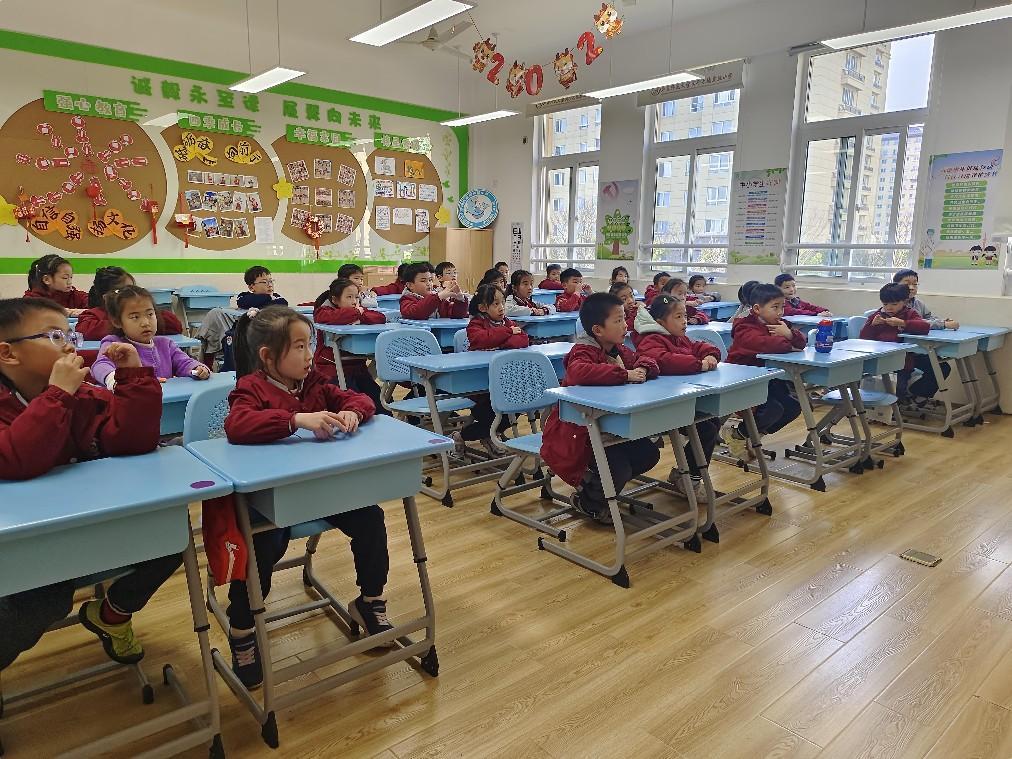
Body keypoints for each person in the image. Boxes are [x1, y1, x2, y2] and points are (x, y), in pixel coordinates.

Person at [221, 306, 392, 689]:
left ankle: (369, 601)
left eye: (309, 344)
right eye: (299, 346)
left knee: (370, 519)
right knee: (263, 546)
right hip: (270, 498)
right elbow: (237, 425)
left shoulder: (314, 383)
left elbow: (359, 399)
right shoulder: (250, 387)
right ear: (268, 357)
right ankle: (242, 628)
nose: (309, 354)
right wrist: (295, 420)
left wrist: (353, 413)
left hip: (319, 491)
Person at [0, 297, 172, 672]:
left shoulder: (81, 394)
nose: (69, 346)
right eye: (55, 336)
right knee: (44, 599)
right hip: (20, 543)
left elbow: (131, 442)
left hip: (79, 524)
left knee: (168, 538)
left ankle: (112, 614)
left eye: (70, 336)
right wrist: (57, 395)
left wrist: (133, 378)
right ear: (8, 354)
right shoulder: (60, 393)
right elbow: (16, 459)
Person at [540, 293, 660, 524]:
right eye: (618, 320)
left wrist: (644, 369)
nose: (625, 325)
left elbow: (647, 360)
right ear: (598, 330)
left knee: (648, 454)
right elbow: (579, 372)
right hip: (577, 433)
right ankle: (589, 501)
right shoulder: (583, 351)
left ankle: (599, 486)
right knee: (618, 469)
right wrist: (625, 374)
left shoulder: (618, 349)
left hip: (608, 428)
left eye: (624, 318)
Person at [635, 294, 723, 499]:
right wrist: (699, 364)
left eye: (684, 316)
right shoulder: (650, 340)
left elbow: (699, 346)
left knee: (710, 423)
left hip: (681, 401)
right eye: (678, 317)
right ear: (660, 322)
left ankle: (687, 475)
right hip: (659, 406)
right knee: (706, 428)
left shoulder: (680, 337)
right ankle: (689, 478)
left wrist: (711, 354)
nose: (684, 321)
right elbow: (664, 360)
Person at [725, 283, 806, 460]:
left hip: (767, 378)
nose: (780, 312)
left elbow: (801, 342)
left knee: (793, 407)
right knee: (773, 409)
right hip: (741, 381)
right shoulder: (744, 327)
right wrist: (787, 341)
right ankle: (737, 434)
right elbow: (768, 345)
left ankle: (753, 437)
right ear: (757, 309)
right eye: (775, 307)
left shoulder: (778, 324)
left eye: (782, 307)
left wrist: (790, 335)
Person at [91, 285, 210, 389]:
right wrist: (117, 381)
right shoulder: (114, 344)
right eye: (135, 317)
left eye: (150, 314)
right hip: (135, 403)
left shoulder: (165, 344)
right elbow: (100, 366)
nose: (145, 323)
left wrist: (197, 368)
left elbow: (184, 363)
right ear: (117, 322)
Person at [458, 284, 529, 448]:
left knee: (515, 409)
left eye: (502, 302)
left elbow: (523, 339)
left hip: (504, 382)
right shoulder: (476, 324)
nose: (501, 307)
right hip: (481, 385)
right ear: (483, 308)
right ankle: (461, 436)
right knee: (493, 417)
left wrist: (502, 342)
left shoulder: (507, 322)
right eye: (496, 304)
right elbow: (482, 339)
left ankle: (485, 435)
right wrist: (508, 333)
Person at [312, 278, 388, 413]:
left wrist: (359, 316)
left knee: (381, 402)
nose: (354, 301)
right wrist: (357, 313)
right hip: (332, 369)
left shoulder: (357, 309)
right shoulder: (323, 311)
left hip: (357, 368)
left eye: (356, 297)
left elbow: (380, 317)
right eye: (349, 297)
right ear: (335, 300)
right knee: (356, 402)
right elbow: (330, 317)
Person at [863, 282, 942, 406]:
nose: (889, 308)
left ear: (904, 302)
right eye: (885, 304)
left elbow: (924, 327)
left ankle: (897, 408)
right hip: (879, 359)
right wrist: (872, 325)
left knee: (899, 388)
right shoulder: (877, 315)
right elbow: (863, 338)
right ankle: (878, 409)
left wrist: (903, 323)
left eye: (894, 304)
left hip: (902, 362)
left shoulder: (910, 313)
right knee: (874, 386)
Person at [76, 266, 182, 340]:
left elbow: (175, 325)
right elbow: (83, 331)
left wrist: (146, 316)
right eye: (125, 291)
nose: (132, 294)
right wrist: (127, 324)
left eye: (133, 288)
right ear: (106, 297)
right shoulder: (93, 316)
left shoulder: (144, 313)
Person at [892, 269, 959, 331]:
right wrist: (943, 324)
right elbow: (913, 323)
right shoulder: (893, 304)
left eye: (915, 284)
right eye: (907, 284)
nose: (912, 288)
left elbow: (929, 318)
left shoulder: (918, 303)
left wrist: (944, 321)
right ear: (895, 285)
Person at [399, 263, 468, 320]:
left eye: (430, 280)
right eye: (423, 281)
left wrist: (460, 299)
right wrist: (438, 297)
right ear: (410, 285)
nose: (429, 283)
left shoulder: (439, 300)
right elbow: (417, 312)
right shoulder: (406, 300)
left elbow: (455, 315)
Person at [23, 254, 88, 313]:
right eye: (65, 278)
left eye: (71, 277)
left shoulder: (75, 296)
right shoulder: (31, 301)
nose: (70, 282)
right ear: (46, 279)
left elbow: (91, 303)